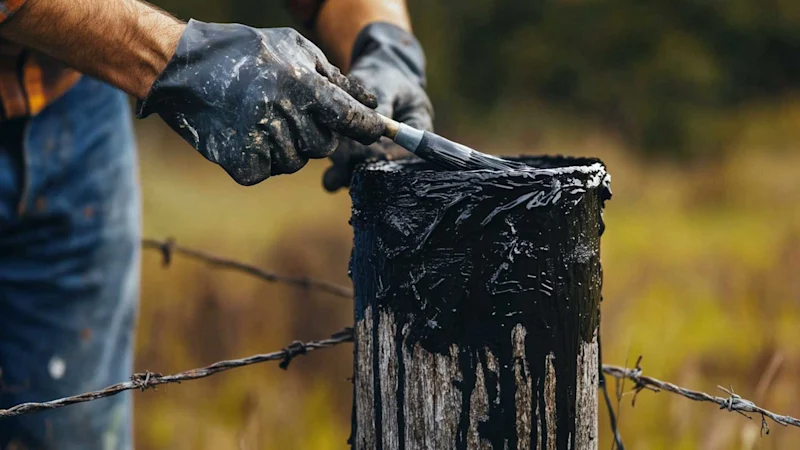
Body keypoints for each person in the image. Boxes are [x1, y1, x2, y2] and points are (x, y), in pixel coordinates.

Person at [0, 0, 433, 447]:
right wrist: (184, 58)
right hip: (91, 55)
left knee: (72, 427)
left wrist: (384, 43)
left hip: (75, 99)